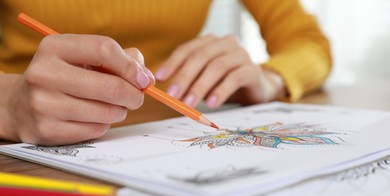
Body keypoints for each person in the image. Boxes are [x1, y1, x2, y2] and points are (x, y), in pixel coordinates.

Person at [0, 0, 332, 145]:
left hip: (165, 136)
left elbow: (308, 43)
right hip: (23, 156)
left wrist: (270, 79)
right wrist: (10, 105)